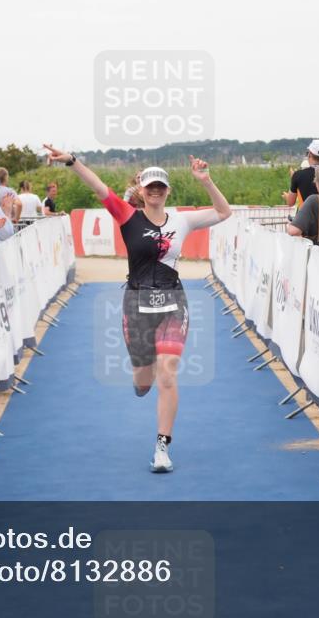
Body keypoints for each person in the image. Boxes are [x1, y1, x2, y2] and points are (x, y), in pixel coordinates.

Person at [43, 144, 232, 473]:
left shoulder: (182, 221)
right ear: (142, 191)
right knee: (144, 381)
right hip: (137, 304)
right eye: (150, 186)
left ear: (167, 190)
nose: (156, 191)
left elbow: (223, 212)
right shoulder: (127, 217)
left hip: (173, 302)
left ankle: (162, 447)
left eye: (161, 186)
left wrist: (206, 180)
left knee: (168, 374)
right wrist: (72, 161)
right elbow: (99, 186)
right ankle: (140, 377)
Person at [282, 139, 319, 208]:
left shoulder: (298, 175)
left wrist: (294, 178)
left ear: (309, 155)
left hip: (307, 217)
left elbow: (290, 202)